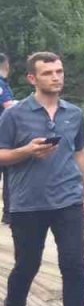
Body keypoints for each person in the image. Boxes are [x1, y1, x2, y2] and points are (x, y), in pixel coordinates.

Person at [0, 52, 84, 306]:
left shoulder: (74, 113)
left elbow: (78, 153)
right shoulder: (14, 115)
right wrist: (27, 151)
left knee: (73, 263)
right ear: (32, 78)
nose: (56, 77)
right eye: (48, 73)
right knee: (27, 264)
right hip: (27, 203)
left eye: (59, 71)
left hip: (67, 201)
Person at [0, 54, 16, 226]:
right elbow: (10, 109)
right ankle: (9, 214)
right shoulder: (1, 85)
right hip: (3, 139)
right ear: (6, 64)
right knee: (10, 177)